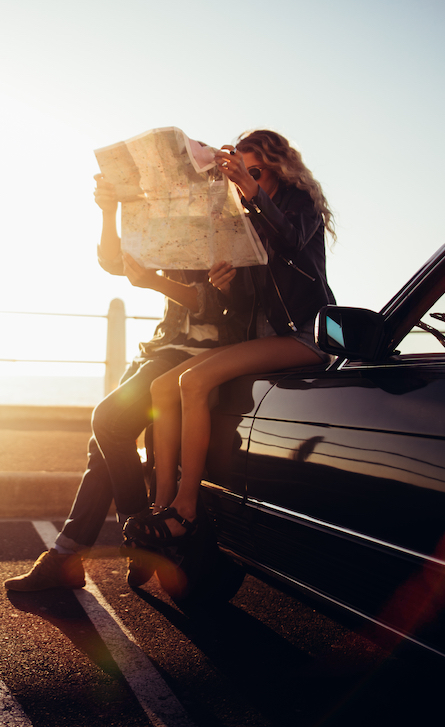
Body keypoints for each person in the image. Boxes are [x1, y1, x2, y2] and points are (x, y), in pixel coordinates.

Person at [5, 167, 253, 592]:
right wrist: (108, 209)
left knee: (107, 422)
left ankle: (136, 535)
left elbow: (214, 308)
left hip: (196, 355)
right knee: (102, 446)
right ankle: (73, 554)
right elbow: (112, 262)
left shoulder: (233, 229)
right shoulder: (173, 226)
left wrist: (157, 281)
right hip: (161, 348)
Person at [124, 129, 336, 546]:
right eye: (239, 170)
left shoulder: (299, 203)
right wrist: (224, 285)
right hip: (259, 337)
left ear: (277, 168)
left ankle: (186, 509)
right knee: (162, 386)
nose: (244, 178)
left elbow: (292, 242)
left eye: (253, 169)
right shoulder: (238, 217)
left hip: (303, 333)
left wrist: (250, 189)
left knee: (192, 381)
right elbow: (241, 304)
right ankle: (162, 501)